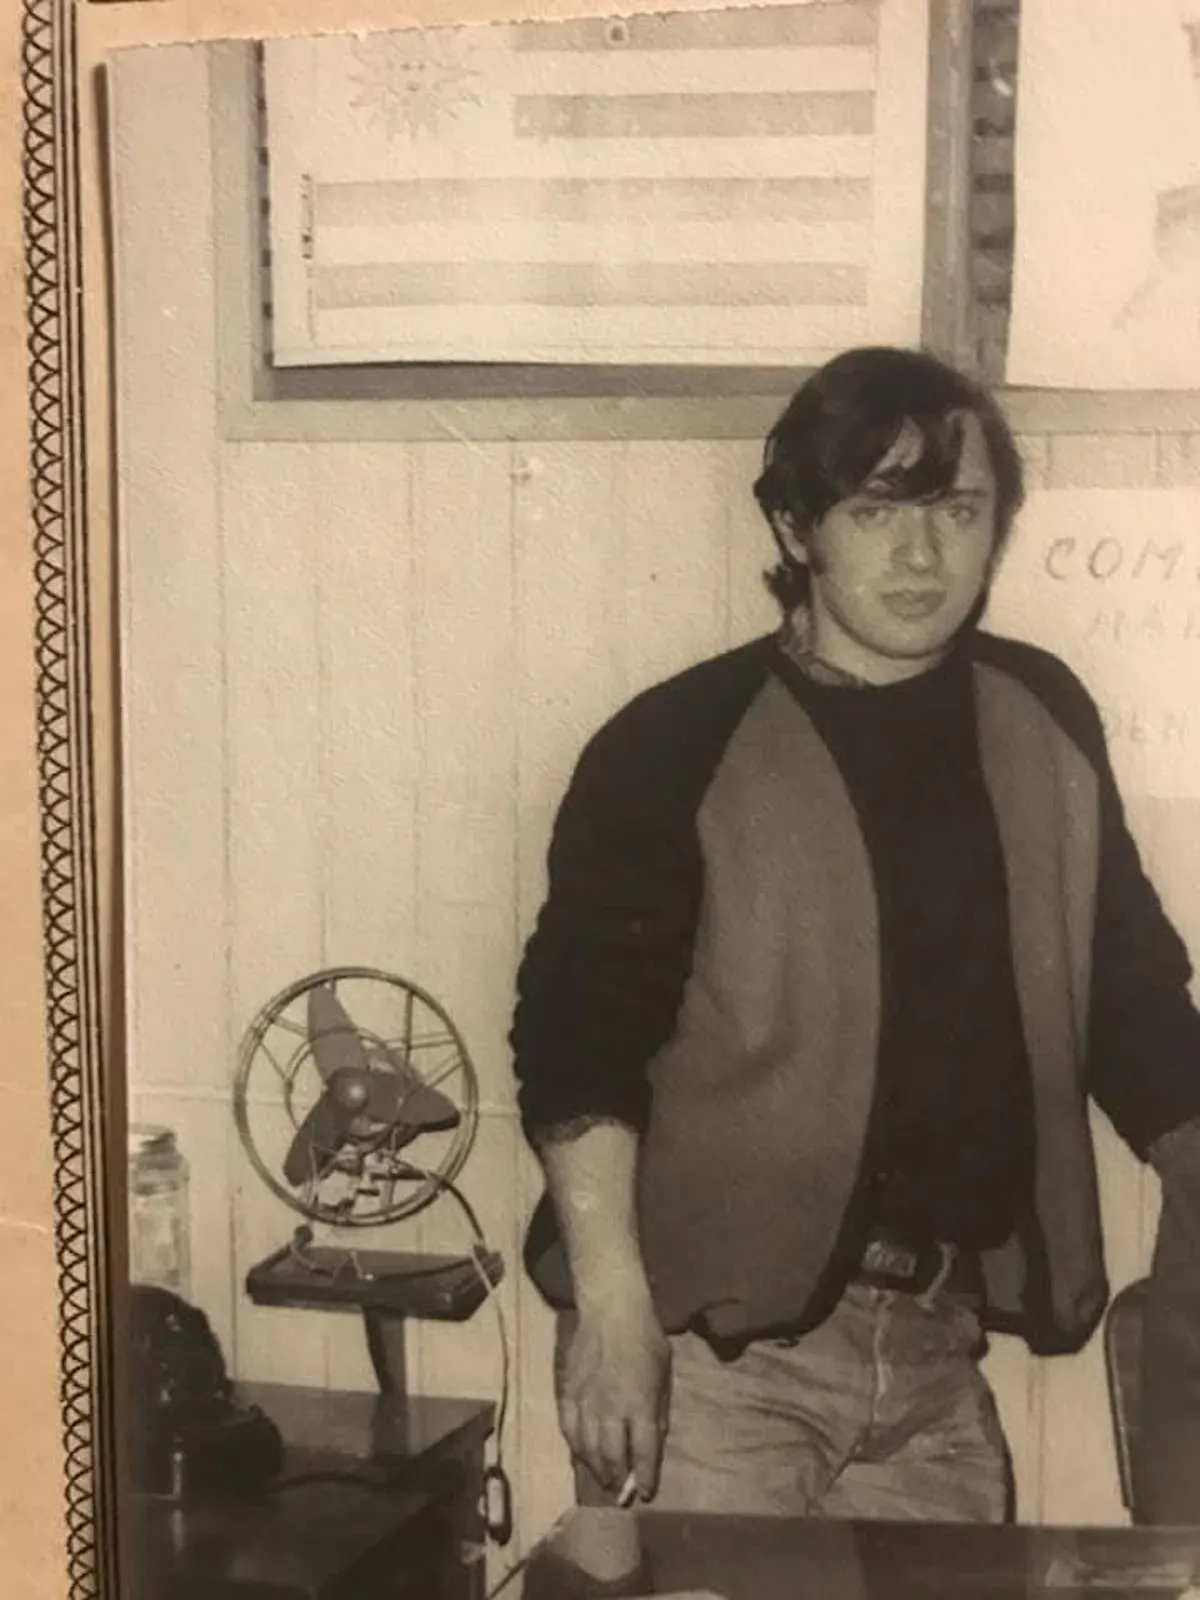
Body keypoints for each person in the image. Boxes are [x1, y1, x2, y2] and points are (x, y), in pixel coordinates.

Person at [510, 346, 1200, 1525]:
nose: (923, 555)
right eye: (877, 510)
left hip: (934, 1349)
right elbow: (579, 1043)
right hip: (716, 1363)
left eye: (958, 510)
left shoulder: (1042, 716)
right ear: (796, 526)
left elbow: (1128, 992)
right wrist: (614, 1314)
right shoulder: (674, 745)